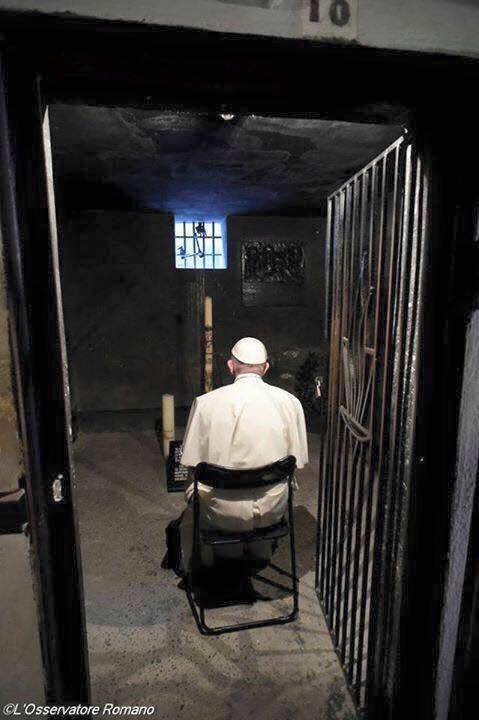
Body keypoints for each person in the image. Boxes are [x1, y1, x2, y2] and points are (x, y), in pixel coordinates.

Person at [176, 336, 309, 574]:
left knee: (193, 482)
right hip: (272, 510)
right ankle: (260, 549)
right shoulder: (291, 403)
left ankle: (210, 561)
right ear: (266, 368)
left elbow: (191, 460)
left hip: (221, 513)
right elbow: (297, 461)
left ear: (230, 366)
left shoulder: (205, 404)